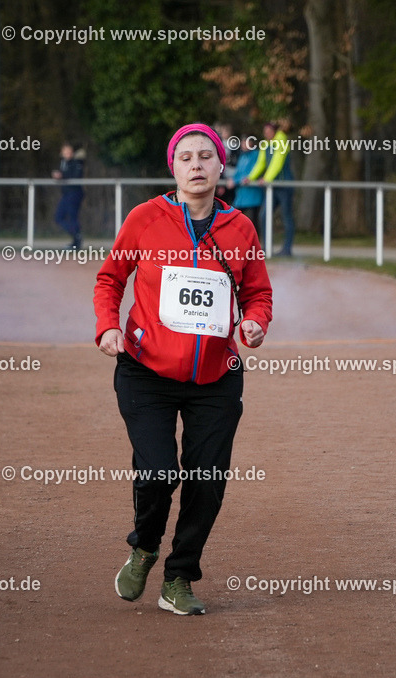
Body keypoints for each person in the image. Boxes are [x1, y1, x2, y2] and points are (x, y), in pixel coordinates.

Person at [94, 123, 273, 616]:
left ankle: (179, 578)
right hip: (145, 370)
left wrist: (255, 324)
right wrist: (108, 327)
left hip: (216, 376)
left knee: (207, 480)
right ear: (172, 168)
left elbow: (258, 292)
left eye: (205, 157)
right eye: (186, 157)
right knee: (156, 471)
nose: (196, 165)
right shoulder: (145, 219)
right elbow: (110, 278)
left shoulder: (240, 228)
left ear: (220, 167)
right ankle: (145, 545)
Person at [247, 122, 295, 256]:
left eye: (268, 130)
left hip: (284, 185)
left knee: (286, 217)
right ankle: (266, 247)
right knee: (264, 215)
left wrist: (267, 178)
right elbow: (261, 163)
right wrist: (250, 177)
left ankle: (287, 249)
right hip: (272, 187)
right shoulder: (265, 145)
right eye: (265, 130)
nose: (266, 133)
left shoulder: (281, 141)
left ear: (274, 131)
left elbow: (277, 162)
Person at [51, 143, 85, 249]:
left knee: (72, 217)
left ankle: (77, 240)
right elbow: (61, 173)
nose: (68, 154)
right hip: (66, 194)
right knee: (58, 217)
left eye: (69, 151)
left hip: (74, 193)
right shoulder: (63, 163)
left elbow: (76, 176)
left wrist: (62, 176)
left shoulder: (76, 162)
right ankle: (76, 236)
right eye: (65, 152)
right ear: (62, 153)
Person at [230, 135, 262, 231]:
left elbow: (249, 173)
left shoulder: (256, 155)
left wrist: (235, 181)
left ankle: (256, 243)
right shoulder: (242, 156)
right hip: (241, 194)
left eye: (246, 142)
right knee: (235, 218)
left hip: (253, 194)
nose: (244, 145)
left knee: (254, 221)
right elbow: (238, 172)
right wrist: (232, 179)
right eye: (243, 142)